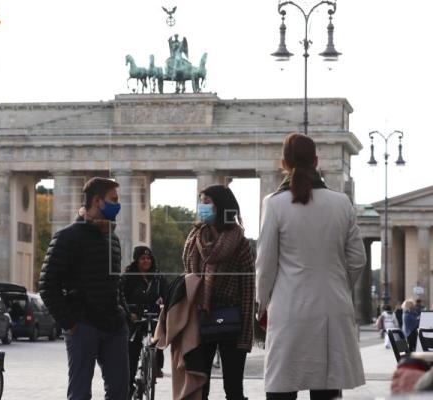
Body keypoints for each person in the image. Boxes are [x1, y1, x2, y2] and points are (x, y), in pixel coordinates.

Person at [256, 133, 367, 400]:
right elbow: (357, 259)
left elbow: (266, 264)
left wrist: (262, 305)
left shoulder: (274, 203)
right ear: (317, 161)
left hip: (289, 309)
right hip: (332, 308)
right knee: (326, 388)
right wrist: (339, 284)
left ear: (283, 162)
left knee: (282, 386)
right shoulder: (341, 203)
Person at [39, 177, 130, 400]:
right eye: (114, 199)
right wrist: (69, 323)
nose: (118, 205)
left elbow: (114, 282)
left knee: (120, 391)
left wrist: (125, 314)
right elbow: (47, 285)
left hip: (114, 325)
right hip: (83, 325)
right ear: (98, 201)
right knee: (80, 393)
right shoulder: (67, 237)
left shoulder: (113, 239)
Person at [183, 184, 255, 400]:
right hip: (200, 317)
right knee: (198, 383)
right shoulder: (195, 237)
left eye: (207, 202)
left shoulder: (239, 242)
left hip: (232, 320)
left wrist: (246, 330)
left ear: (221, 206)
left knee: (233, 388)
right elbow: (187, 276)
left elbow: (248, 287)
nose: (201, 207)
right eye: (201, 202)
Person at [121, 246, 168, 397]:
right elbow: (122, 298)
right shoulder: (128, 277)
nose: (146, 261)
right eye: (142, 258)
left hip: (153, 316)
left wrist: (165, 308)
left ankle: (156, 366)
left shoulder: (158, 277)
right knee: (132, 352)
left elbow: (166, 295)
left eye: (148, 258)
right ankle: (129, 387)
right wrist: (130, 313)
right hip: (134, 318)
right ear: (136, 260)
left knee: (158, 337)